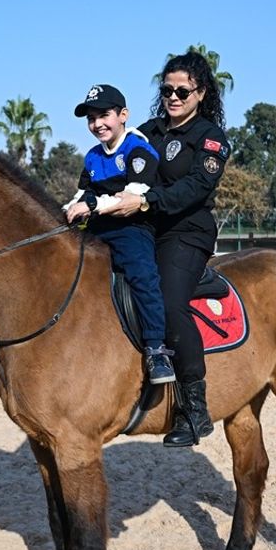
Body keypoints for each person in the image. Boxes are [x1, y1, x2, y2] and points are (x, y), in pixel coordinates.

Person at [99, 52, 230, 447]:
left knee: (169, 302)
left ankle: (194, 408)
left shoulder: (210, 138)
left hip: (186, 231)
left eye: (183, 91)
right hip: (143, 228)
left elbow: (193, 189)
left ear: (201, 93)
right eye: (167, 90)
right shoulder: (146, 132)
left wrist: (144, 202)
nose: (173, 97)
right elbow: (119, 167)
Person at [64, 83, 176, 385]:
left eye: (104, 115)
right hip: (99, 228)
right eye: (91, 118)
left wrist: (91, 205)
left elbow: (132, 195)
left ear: (123, 115)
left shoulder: (137, 150)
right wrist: (65, 210)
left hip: (131, 227)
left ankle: (155, 348)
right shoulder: (92, 157)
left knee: (143, 275)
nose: (97, 124)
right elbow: (81, 194)